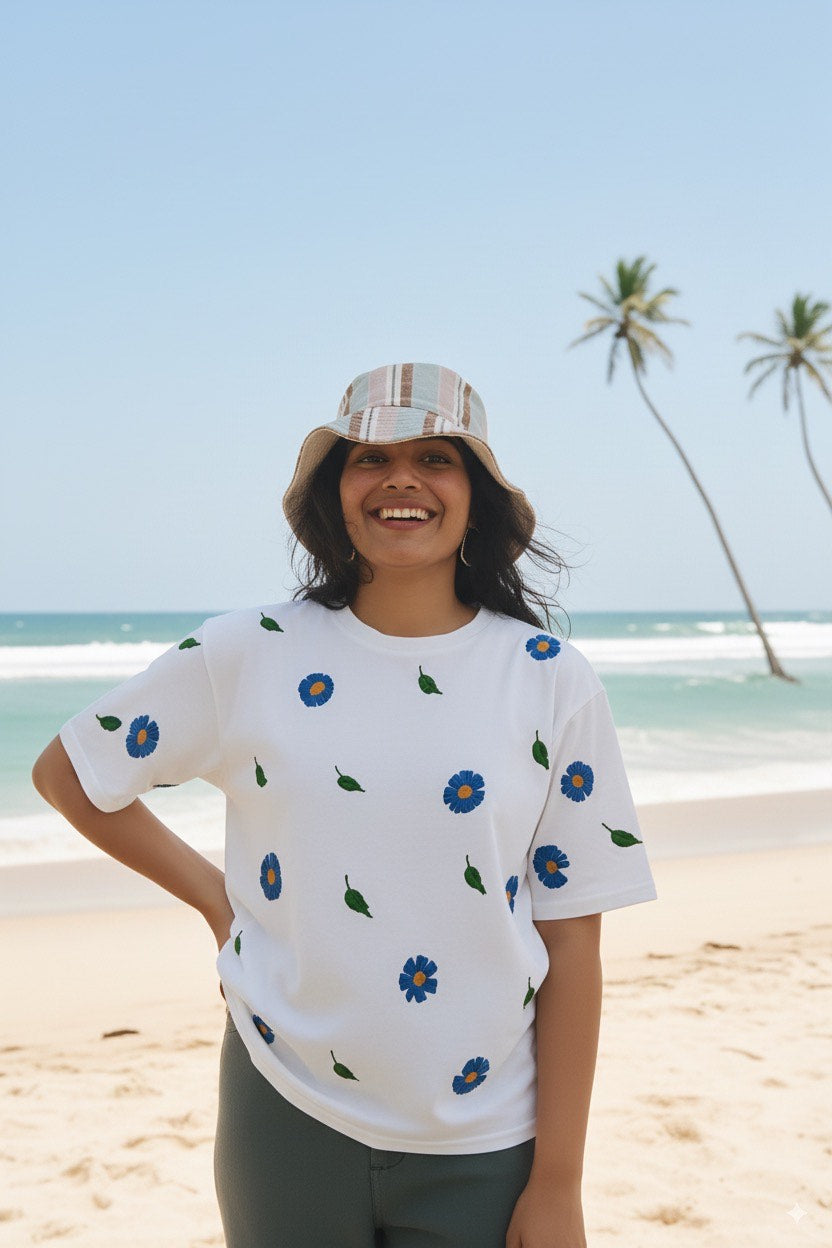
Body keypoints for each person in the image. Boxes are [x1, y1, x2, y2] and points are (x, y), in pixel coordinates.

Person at [32, 362, 658, 1248]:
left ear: (474, 496)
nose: (401, 478)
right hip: (282, 1108)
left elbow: (573, 938)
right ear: (336, 493)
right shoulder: (248, 653)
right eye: (371, 458)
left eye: (436, 457)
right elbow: (71, 773)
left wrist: (558, 1180)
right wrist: (219, 902)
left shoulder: (550, 681)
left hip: (485, 1138)